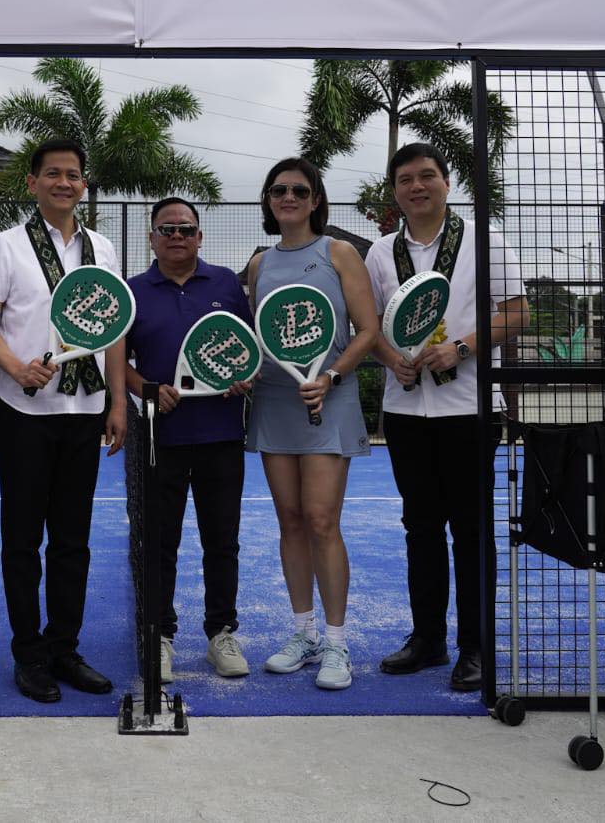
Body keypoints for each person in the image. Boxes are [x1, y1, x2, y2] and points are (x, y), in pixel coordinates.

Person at [0, 138, 128, 703]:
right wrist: (16, 369)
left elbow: (114, 327)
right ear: (32, 183)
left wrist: (116, 403)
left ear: (84, 185)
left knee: (72, 541)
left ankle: (64, 647)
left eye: (74, 175)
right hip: (25, 414)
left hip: (84, 413)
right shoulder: (7, 245)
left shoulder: (102, 248)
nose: (65, 182)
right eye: (53, 174)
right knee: (21, 540)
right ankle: (28, 653)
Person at [367, 142, 526, 692]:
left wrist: (461, 348)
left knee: (471, 529)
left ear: (447, 182)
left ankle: (475, 646)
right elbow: (370, 328)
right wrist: (392, 359)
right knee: (420, 528)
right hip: (406, 409)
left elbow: (517, 313)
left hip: (470, 408)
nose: (417, 186)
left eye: (427, 176)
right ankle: (428, 638)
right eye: (405, 179)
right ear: (394, 191)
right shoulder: (381, 253)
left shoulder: (485, 240)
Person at [244, 157, 382, 691]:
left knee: (322, 520)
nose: (288, 197)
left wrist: (330, 376)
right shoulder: (259, 264)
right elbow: (262, 336)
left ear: (316, 199)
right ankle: (303, 634)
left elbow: (367, 330)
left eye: (299, 190)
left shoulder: (339, 252)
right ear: (268, 199)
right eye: (278, 189)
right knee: (291, 521)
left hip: (330, 399)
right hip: (275, 401)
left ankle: (336, 641)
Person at [125, 197, 254, 682]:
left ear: (200, 236)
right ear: (152, 238)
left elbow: (247, 347)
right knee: (161, 543)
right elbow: (118, 362)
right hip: (161, 438)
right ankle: (159, 635)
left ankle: (221, 632)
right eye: (166, 229)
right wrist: (148, 389)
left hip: (222, 434)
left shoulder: (225, 284)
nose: (176, 236)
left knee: (222, 542)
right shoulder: (133, 290)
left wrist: (244, 376)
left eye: (185, 228)